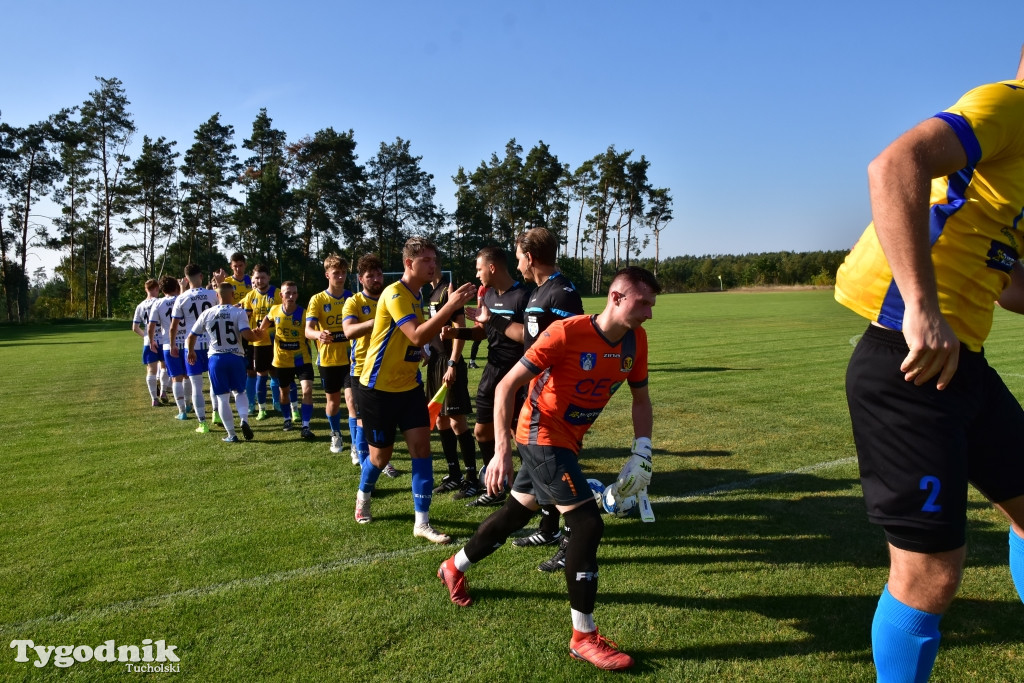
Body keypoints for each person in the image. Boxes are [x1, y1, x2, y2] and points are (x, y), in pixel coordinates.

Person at [834, 56, 1024, 682]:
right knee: (930, 573)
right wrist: (921, 305)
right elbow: (894, 164)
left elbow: (1006, 282)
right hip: (907, 359)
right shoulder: (1011, 104)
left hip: (964, 362)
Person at [436, 266, 659, 672]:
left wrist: (641, 450)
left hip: (568, 441)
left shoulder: (636, 340)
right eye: (642, 303)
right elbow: (507, 387)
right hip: (539, 433)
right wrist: (501, 450)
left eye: (651, 305)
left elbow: (640, 399)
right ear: (616, 298)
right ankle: (584, 638)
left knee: (516, 513)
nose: (649, 313)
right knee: (588, 524)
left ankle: (453, 567)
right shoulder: (567, 333)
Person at [355, 237, 475, 543]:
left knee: (421, 449)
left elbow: (411, 341)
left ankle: (422, 522)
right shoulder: (394, 292)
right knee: (380, 458)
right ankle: (364, 494)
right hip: (378, 389)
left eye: (435, 260)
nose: (434, 265)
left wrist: (417, 355)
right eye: (427, 260)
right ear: (410, 264)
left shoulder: (417, 295)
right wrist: (450, 306)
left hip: (409, 388)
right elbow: (417, 335)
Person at [514, 227, 586, 563]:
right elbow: (532, 341)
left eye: (518, 260)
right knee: (537, 468)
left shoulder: (563, 294)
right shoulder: (540, 290)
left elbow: (573, 348)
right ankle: (548, 527)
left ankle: (571, 542)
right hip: (536, 395)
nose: (518, 267)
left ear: (529, 258)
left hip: (555, 400)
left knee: (559, 469)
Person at [443, 246, 529, 504]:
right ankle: (496, 485)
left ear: (492, 268)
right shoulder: (488, 296)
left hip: (518, 373)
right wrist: (456, 333)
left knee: (519, 434)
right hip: (492, 372)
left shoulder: (524, 296)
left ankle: (527, 489)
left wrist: (493, 320)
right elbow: (481, 332)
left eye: (479, 268)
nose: (477, 273)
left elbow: (529, 334)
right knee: (481, 432)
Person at [341, 253, 398, 477]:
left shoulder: (390, 297)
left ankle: (381, 460)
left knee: (385, 420)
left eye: (378, 274)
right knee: (364, 419)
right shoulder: (354, 301)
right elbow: (348, 331)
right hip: (362, 369)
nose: (376, 279)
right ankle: (367, 463)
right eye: (370, 276)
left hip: (388, 367)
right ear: (360, 279)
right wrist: (377, 322)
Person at [424, 262, 477, 498]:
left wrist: (453, 363)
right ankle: (454, 474)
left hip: (448, 362)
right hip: (435, 361)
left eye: (430, 262)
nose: (427, 267)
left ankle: (472, 477)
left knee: (457, 421)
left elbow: (460, 327)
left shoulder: (449, 290)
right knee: (440, 422)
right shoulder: (432, 292)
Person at [188, 283, 263, 442]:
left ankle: (231, 434)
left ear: (217, 296)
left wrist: (191, 351)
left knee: (222, 397)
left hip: (216, 358)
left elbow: (191, 336)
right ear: (233, 295)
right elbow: (246, 335)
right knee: (240, 392)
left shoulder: (207, 313)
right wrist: (258, 336)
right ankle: (244, 420)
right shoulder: (238, 312)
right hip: (236, 357)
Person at [306, 254, 355, 456]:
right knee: (333, 402)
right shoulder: (318, 299)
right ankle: (335, 433)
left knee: (352, 401)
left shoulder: (351, 298)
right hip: (327, 360)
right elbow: (308, 330)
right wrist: (319, 334)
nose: (341, 277)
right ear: (327, 274)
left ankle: (355, 445)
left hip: (351, 359)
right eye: (336, 273)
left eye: (343, 273)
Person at [256, 281, 316, 439]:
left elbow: (311, 332)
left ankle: (306, 425)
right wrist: (261, 331)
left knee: (307, 390)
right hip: (282, 361)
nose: (291, 296)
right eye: (288, 293)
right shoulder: (275, 310)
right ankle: (287, 418)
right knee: (284, 392)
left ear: (297, 295)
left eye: (294, 293)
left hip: (302, 359)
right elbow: (267, 320)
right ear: (281, 295)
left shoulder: (304, 313)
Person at [170, 264, 218, 433]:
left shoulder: (181, 298)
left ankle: (202, 423)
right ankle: (216, 413)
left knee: (197, 386)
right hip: (212, 344)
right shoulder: (212, 294)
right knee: (214, 382)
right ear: (201, 276)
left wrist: (173, 344)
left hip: (192, 345)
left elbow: (173, 326)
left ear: (186, 278)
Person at [238, 264, 282, 421]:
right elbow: (240, 310)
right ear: (252, 279)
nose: (260, 280)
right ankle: (254, 405)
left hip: (275, 340)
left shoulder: (277, 294)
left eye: (263, 277)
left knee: (275, 373)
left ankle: (277, 403)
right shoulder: (250, 296)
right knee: (256, 373)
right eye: (257, 277)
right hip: (256, 342)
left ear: (269, 277)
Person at [148, 276, 188, 417]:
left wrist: (151, 341)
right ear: (176, 287)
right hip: (186, 343)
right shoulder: (183, 299)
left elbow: (151, 325)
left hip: (168, 344)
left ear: (162, 289)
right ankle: (189, 404)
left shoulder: (158, 304)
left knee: (176, 378)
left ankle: (182, 411)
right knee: (187, 376)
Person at [132, 278, 166, 407]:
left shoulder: (140, 306)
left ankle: (154, 398)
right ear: (157, 289)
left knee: (151, 370)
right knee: (164, 366)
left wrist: (146, 336)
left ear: (146, 289)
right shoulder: (160, 302)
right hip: (163, 339)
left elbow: (134, 327)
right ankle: (163, 391)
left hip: (149, 342)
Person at [467, 283, 488, 369]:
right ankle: (471, 362)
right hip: (481, 317)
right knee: (477, 340)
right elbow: (479, 305)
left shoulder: (493, 287)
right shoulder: (482, 288)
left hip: (489, 317)